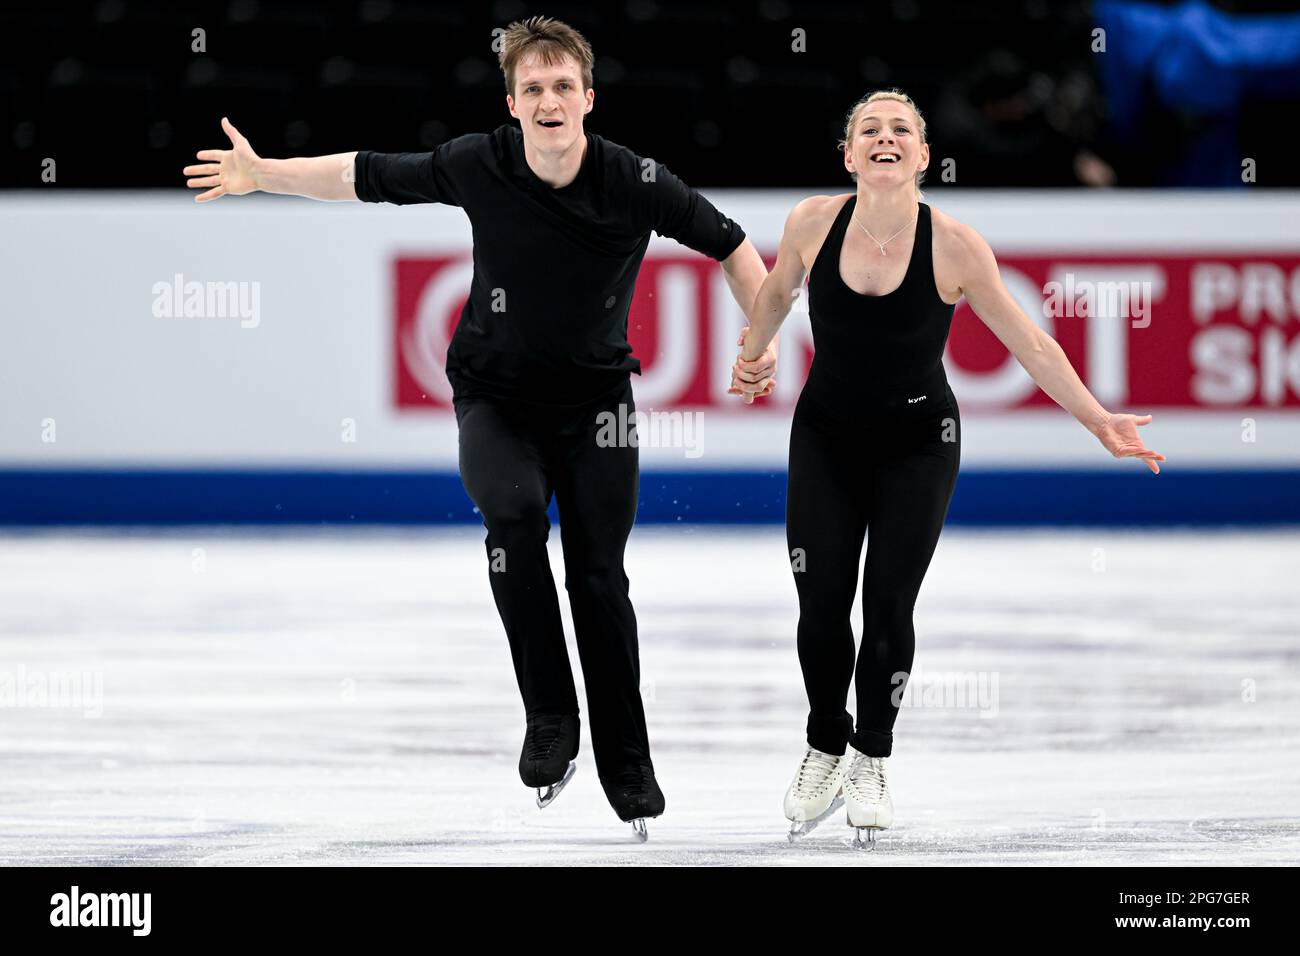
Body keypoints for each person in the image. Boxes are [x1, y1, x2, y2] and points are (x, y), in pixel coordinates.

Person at [182, 16, 773, 840]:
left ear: (588, 98)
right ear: (513, 103)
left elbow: (739, 251)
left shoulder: (636, 180)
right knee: (514, 517)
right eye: (532, 87)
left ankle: (627, 760)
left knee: (599, 578)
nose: (549, 99)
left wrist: (760, 343)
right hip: (494, 399)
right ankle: (551, 721)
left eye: (563, 85)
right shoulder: (482, 162)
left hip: (597, 405)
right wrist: (262, 174)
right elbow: (364, 175)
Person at [730, 89, 1164, 847]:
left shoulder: (957, 246)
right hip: (825, 436)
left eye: (902, 129)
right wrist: (752, 355)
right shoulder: (810, 221)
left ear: (925, 156)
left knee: (889, 607)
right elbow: (773, 294)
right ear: (849, 154)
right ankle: (825, 743)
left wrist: (1098, 420)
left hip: (918, 443)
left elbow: (1031, 344)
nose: (886, 137)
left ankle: (871, 756)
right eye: (870, 128)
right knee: (822, 603)